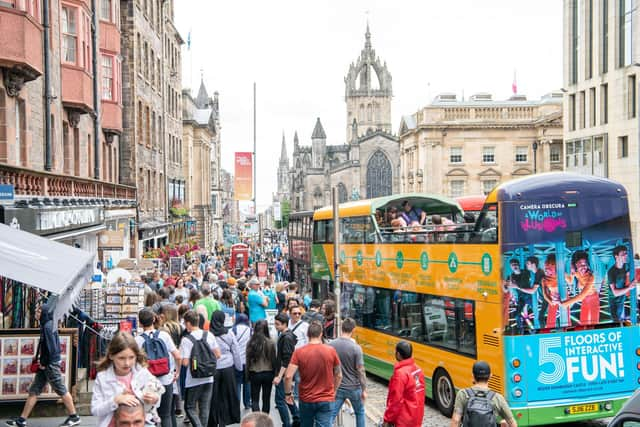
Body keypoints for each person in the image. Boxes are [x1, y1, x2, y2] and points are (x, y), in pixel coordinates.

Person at [6, 297, 81, 427]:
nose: (36, 313)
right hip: (47, 364)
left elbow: (52, 349)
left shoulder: (47, 326)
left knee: (61, 389)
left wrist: (44, 363)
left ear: (45, 313)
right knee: (34, 390)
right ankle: (21, 420)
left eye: (39, 311)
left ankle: (74, 416)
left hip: (49, 364)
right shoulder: (48, 324)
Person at [91, 332, 163, 427]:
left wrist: (154, 398)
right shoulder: (103, 378)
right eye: (121, 358)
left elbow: (157, 394)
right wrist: (115, 401)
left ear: (136, 356)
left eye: (131, 357)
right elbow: (95, 410)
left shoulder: (142, 373)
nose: (127, 363)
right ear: (111, 356)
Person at [284, 322, 342, 427]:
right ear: (321, 334)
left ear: (307, 334)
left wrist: (288, 394)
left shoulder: (299, 352)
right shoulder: (331, 351)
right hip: (326, 398)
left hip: (306, 398)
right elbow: (338, 374)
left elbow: (288, 376)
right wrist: (334, 391)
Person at [135, 308, 182, 427]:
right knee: (166, 415)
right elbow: (177, 355)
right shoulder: (164, 335)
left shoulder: (137, 340)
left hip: (148, 384)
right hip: (166, 380)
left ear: (140, 323)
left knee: (149, 416)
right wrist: (177, 371)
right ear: (154, 319)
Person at [180, 310, 221, 427]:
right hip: (209, 377)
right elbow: (218, 355)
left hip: (193, 379)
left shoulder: (186, 340)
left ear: (188, 323)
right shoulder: (209, 335)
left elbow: (185, 363)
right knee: (204, 407)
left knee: (189, 407)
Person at [450, 361, 517, 427]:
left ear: (473, 375)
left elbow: (456, 420)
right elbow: (512, 422)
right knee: (504, 422)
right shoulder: (497, 397)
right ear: (490, 376)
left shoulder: (462, 394)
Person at [329, 318, 366, 427]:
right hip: (354, 388)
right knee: (360, 413)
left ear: (342, 328)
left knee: (331, 415)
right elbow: (360, 370)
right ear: (353, 330)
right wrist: (364, 389)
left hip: (338, 387)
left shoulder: (331, 345)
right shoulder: (356, 348)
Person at [208, 310, 243, 427]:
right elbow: (236, 351)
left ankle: (214, 420)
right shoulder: (229, 333)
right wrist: (239, 367)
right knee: (226, 395)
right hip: (228, 367)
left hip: (213, 368)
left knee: (214, 396)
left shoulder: (208, 334)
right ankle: (225, 419)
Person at [383, 341, 424, 427]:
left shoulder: (400, 374)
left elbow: (396, 400)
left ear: (398, 354)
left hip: (404, 419)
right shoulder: (418, 370)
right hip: (416, 417)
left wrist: (387, 419)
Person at [272, 313, 300, 427]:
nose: (275, 326)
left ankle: (287, 423)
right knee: (286, 397)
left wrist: (279, 376)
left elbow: (286, 359)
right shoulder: (287, 335)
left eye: (277, 324)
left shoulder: (287, 337)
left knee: (280, 400)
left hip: (283, 373)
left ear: (284, 324)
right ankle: (297, 418)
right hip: (284, 373)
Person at [246, 319, 276, 413]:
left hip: (254, 373)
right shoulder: (271, 342)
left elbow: (247, 361)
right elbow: (273, 359)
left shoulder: (251, 342)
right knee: (266, 399)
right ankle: (265, 420)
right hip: (268, 373)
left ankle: (256, 420)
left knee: (254, 399)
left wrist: (247, 375)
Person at [564, 250, 599, 325]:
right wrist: (563, 274)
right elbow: (570, 281)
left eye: (585, 264)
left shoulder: (591, 277)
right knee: (583, 321)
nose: (583, 267)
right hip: (585, 299)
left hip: (593, 298)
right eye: (580, 264)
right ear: (575, 265)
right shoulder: (576, 272)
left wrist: (566, 303)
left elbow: (581, 296)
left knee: (594, 322)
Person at [505, 258, 537, 333]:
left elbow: (534, 280)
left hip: (529, 295)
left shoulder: (526, 272)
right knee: (517, 315)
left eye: (515, 264)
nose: (514, 266)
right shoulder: (510, 277)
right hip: (521, 298)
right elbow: (506, 289)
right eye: (512, 265)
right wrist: (506, 286)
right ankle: (521, 331)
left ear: (519, 265)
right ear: (510, 267)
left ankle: (537, 329)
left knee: (536, 312)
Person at [608, 245, 634, 322]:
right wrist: (629, 287)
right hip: (615, 302)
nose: (626, 255)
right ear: (616, 256)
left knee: (622, 317)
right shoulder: (611, 272)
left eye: (626, 253)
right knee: (616, 320)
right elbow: (615, 293)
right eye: (623, 254)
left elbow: (629, 276)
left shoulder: (626, 266)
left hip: (623, 298)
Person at [232, 313, 252, 410]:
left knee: (237, 384)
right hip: (247, 361)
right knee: (247, 383)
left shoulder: (233, 330)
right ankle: (247, 403)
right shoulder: (250, 330)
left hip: (236, 361)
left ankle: (236, 404)